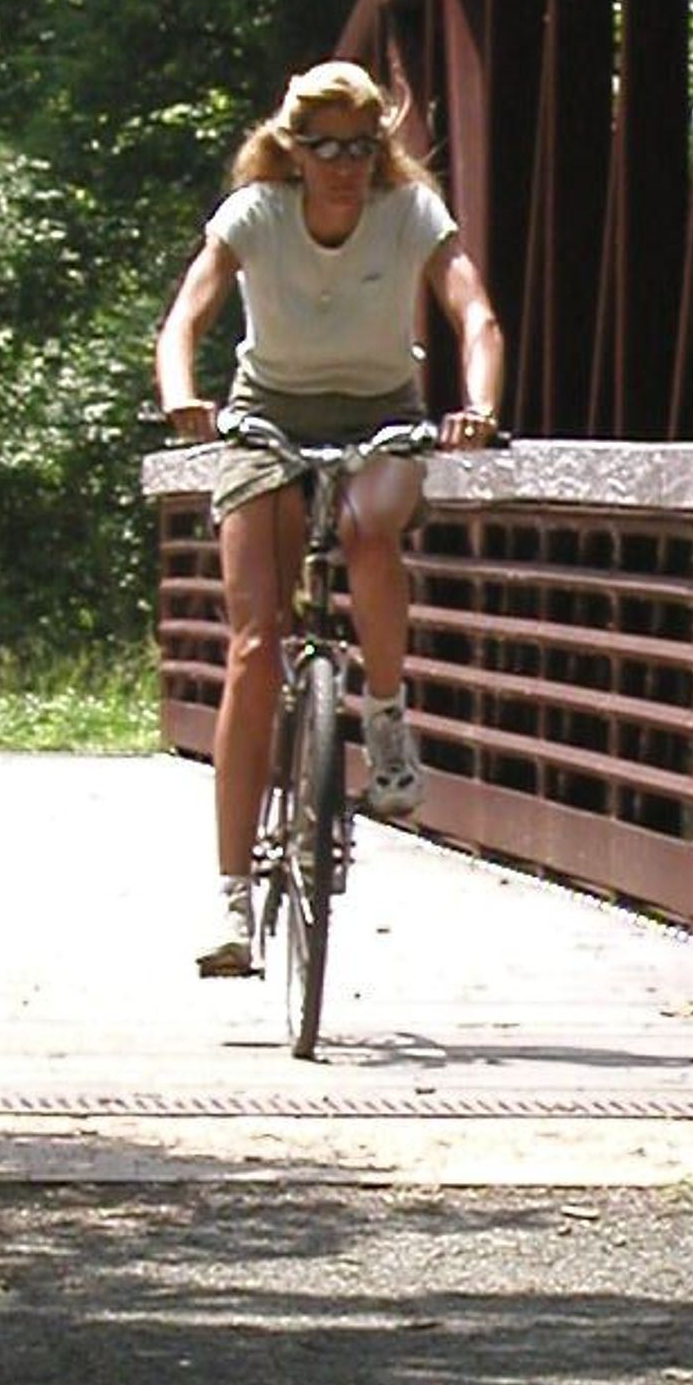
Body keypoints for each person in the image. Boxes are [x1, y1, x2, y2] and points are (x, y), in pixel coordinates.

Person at [155, 59, 505, 976]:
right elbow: (186, 318)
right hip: (264, 418)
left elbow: (474, 315)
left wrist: (478, 406)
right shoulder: (256, 216)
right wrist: (182, 397)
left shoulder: (410, 214)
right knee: (253, 641)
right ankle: (232, 899)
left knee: (370, 524)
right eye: (327, 148)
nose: (346, 164)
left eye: (362, 146)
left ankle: (384, 718)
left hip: (381, 411)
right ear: (294, 151)